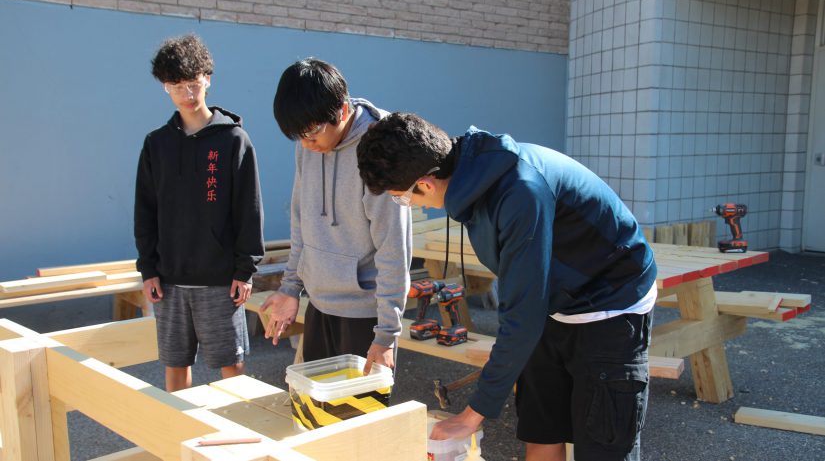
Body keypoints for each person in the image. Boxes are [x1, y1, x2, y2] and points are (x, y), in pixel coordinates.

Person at [356, 113, 657, 461]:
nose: (406, 204)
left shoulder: (520, 190)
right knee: (542, 428)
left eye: (400, 198)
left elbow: (523, 315)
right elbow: (524, 301)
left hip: (610, 304)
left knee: (603, 444)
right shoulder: (471, 179)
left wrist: (472, 415)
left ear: (425, 183)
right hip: (554, 301)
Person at [260, 59, 411, 375]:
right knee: (317, 415)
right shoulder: (308, 143)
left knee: (360, 418)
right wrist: (290, 288)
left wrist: (385, 337)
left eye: (312, 135)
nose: (306, 145)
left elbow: (394, 251)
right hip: (319, 306)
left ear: (342, 111)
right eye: (298, 137)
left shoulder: (382, 149)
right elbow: (302, 221)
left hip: (365, 317)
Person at [134, 34, 264, 392]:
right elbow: (145, 210)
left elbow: (249, 208)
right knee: (175, 366)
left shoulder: (234, 140)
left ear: (208, 78)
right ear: (165, 87)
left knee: (232, 367)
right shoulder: (156, 144)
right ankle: (181, 442)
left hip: (220, 280)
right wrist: (148, 268)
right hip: (170, 279)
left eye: (193, 84)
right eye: (176, 86)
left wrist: (245, 269)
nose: (188, 95)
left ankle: (235, 444)